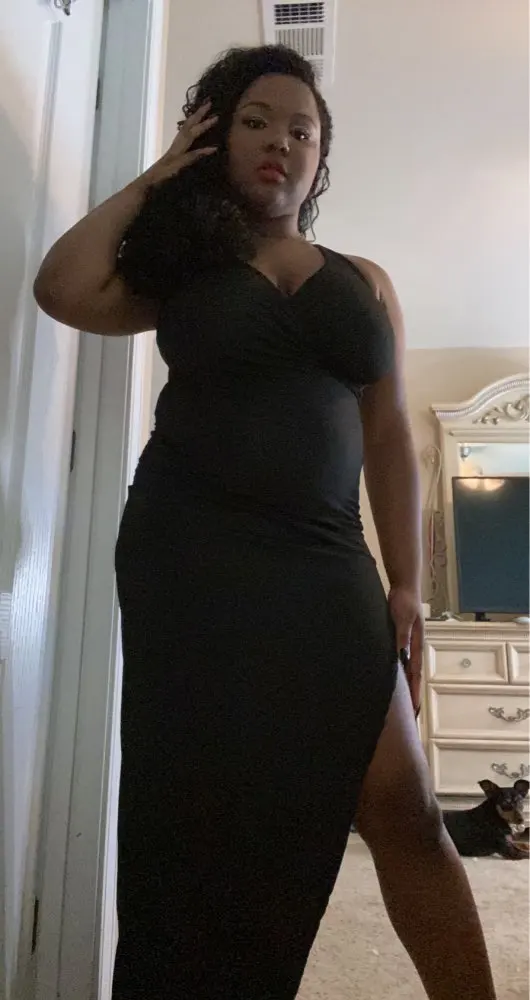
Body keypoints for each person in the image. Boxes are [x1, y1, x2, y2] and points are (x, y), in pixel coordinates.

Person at [34, 44, 496, 1000]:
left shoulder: (366, 281)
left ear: (321, 158)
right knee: (197, 810)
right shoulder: (182, 268)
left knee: (405, 810)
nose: (281, 142)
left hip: (326, 561)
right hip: (191, 561)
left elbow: (387, 439)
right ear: (216, 138)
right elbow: (62, 287)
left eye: (303, 130)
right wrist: (160, 173)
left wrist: (406, 583)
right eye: (255, 122)